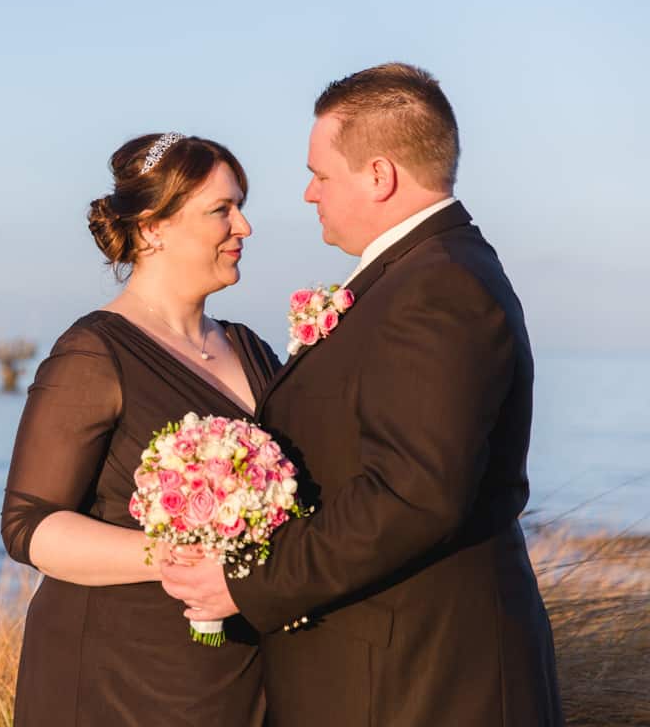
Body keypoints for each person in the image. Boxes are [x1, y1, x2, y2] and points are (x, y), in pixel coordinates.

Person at [161, 63, 563, 726]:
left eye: (321, 174)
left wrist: (245, 583)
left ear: (379, 175)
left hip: (421, 683)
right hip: (387, 671)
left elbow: (412, 495)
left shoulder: (441, 289)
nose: (308, 193)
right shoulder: (415, 276)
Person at [1, 132, 279, 726]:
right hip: (119, 677)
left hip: (239, 674)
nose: (245, 227)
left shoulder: (251, 348)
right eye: (222, 210)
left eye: (241, 206)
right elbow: (29, 525)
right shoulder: (94, 353)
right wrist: (178, 555)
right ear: (154, 228)